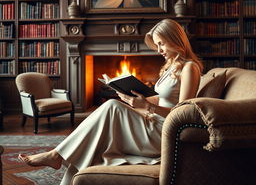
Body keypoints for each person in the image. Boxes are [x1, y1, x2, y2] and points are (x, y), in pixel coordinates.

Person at [18, 18, 203, 185]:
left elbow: (182, 113)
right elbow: (163, 99)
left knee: (111, 107)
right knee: (98, 138)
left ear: (175, 40)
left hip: (164, 133)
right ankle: (61, 166)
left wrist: (146, 106)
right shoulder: (170, 66)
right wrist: (132, 98)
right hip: (152, 122)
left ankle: (55, 155)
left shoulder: (190, 68)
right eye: (157, 45)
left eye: (162, 44)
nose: (159, 50)